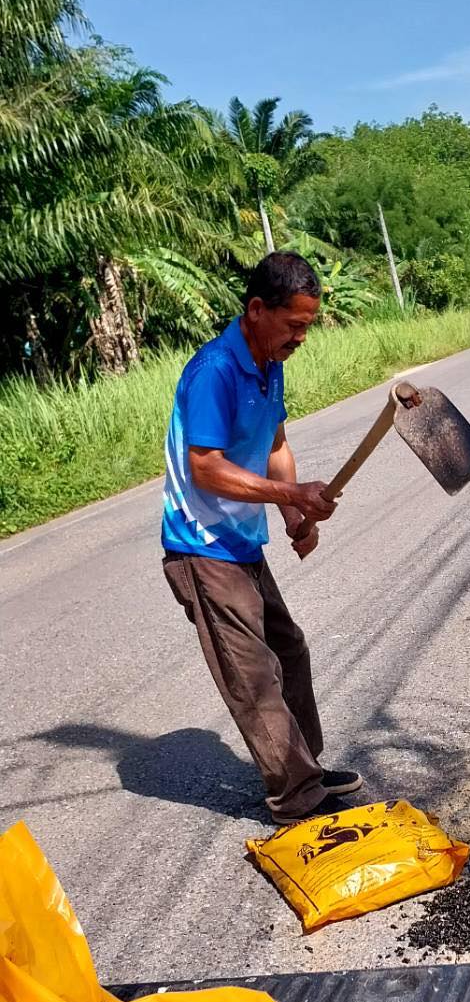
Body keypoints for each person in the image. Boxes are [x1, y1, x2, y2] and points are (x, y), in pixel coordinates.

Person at [161, 250, 362, 823]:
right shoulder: (215, 370)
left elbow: (275, 447)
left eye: (307, 326)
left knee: (289, 650)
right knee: (252, 676)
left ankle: (308, 771)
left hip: (242, 541)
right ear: (256, 309)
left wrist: (295, 516)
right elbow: (207, 467)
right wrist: (293, 498)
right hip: (201, 549)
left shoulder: (271, 363)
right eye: (294, 324)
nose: (301, 337)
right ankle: (295, 799)